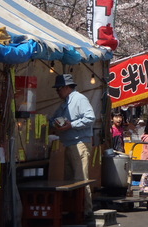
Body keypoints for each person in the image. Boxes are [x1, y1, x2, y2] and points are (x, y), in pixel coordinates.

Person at [50, 74, 95, 219]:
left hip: (80, 143)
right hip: (69, 143)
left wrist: (72, 125)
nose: (57, 92)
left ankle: (85, 210)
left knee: (80, 178)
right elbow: (53, 119)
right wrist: (55, 123)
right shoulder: (65, 103)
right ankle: (73, 209)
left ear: (66, 87)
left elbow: (90, 117)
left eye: (59, 89)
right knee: (70, 180)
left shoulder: (79, 99)